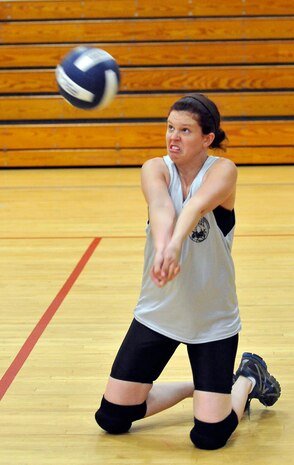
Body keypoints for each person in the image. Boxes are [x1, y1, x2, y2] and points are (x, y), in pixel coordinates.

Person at [95, 93, 281, 450]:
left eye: (184, 130)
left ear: (207, 138)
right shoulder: (155, 168)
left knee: (209, 436)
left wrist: (176, 244)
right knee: (113, 418)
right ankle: (200, 390)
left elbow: (195, 206)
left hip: (212, 320)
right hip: (158, 313)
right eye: (169, 128)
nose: (172, 137)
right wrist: (166, 246)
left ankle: (246, 379)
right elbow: (162, 207)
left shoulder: (223, 171)